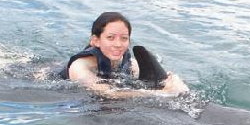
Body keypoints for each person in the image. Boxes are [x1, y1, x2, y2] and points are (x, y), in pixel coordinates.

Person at [47, 12, 189, 98]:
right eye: (110, 37)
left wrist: (174, 83)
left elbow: (154, 79)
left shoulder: (127, 61)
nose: (118, 44)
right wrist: (162, 94)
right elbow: (107, 93)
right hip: (45, 77)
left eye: (124, 38)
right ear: (96, 40)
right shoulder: (80, 67)